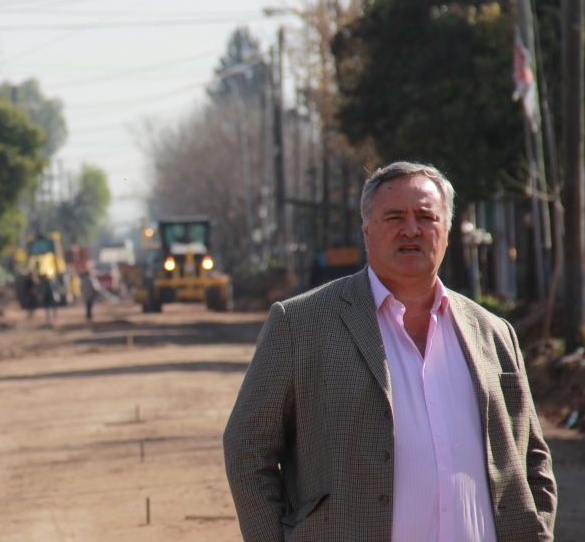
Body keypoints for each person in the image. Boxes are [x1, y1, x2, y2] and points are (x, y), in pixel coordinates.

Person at [223, 161, 557, 542]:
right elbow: (248, 448)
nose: (411, 229)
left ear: (446, 231)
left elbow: (532, 457)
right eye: (394, 216)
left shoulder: (495, 333)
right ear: (366, 231)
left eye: (426, 216)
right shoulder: (300, 325)